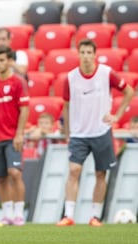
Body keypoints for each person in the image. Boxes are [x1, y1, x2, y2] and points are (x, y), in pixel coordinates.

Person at [56, 39, 134, 227]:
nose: (86, 56)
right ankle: (69, 215)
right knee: (74, 171)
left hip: (101, 131)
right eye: (82, 52)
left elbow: (129, 92)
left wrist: (117, 115)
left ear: (95, 54)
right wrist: (68, 132)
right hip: (78, 133)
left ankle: (95, 216)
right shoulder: (71, 77)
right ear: (78, 54)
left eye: (89, 53)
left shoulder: (106, 74)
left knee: (101, 174)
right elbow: (66, 106)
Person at [0, 45, 30, 226]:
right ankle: (7, 214)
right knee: (1, 177)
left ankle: (19, 214)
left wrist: (19, 134)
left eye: (2, 60)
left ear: (10, 61)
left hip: (12, 137)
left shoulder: (18, 82)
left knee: (15, 173)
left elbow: (24, 110)